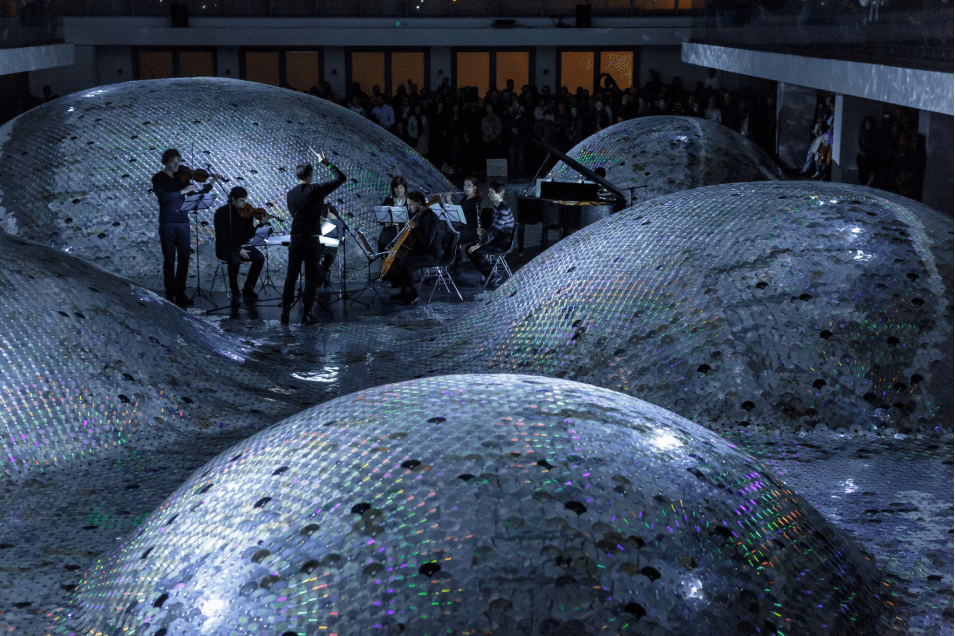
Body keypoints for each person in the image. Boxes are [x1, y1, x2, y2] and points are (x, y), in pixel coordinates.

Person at [282, 154, 346, 325]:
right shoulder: (316, 189)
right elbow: (341, 178)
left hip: (295, 239)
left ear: (297, 176)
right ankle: (307, 314)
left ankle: (285, 312)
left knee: (291, 276)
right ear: (310, 175)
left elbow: (293, 214)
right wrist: (327, 163)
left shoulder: (290, 194)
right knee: (311, 278)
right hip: (311, 240)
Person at [152, 148, 214, 307]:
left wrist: (211, 184)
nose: (176, 165)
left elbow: (195, 197)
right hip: (167, 223)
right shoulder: (158, 178)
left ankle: (180, 293)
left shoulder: (182, 178)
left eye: (178, 162)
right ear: (165, 162)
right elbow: (164, 198)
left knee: (184, 258)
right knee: (169, 260)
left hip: (183, 223)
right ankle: (169, 293)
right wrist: (183, 190)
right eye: (173, 162)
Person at [386, 191, 453, 305]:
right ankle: (405, 291)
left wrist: (415, 227)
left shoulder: (430, 217)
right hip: (424, 250)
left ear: (418, 203)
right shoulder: (420, 215)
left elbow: (427, 242)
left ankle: (413, 295)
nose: (409, 208)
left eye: (411, 205)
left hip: (434, 254)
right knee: (399, 259)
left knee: (405, 265)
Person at [213, 186, 265, 306]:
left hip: (242, 246)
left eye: (245, 200)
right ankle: (234, 289)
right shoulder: (221, 212)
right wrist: (238, 249)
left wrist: (260, 225)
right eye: (241, 200)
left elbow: (249, 234)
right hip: (225, 247)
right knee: (235, 260)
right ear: (233, 199)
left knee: (259, 258)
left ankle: (249, 287)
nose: (244, 203)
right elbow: (221, 237)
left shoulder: (246, 213)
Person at [467, 181, 514, 288]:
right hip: (498, 239)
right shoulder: (497, 207)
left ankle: (493, 275)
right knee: (470, 248)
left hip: (503, 243)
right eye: (489, 192)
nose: (489, 195)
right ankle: (491, 275)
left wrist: (479, 244)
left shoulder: (503, 210)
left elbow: (494, 232)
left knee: (474, 251)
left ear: (499, 194)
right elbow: (494, 229)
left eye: (491, 193)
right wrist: (484, 232)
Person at [444, 176, 481, 275]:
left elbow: (458, 212)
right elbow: (456, 211)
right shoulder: (465, 198)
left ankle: (457, 267)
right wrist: (446, 202)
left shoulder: (474, 200)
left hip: (472, 230)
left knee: (453, 240)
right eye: (465, 185)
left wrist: (449, 200)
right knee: (446, 238)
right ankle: (455, 265)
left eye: (469, 185)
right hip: (464, 228)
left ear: (475, 187)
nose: (466, 188)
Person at [378, 175, 409, 253]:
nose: (399, 190)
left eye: (401, 187)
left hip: (400, 236)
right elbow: (381, 219)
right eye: (396, 188)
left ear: (405, 188)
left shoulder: (409, 202)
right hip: (387, 235)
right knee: (383, 248)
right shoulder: (389, 199)